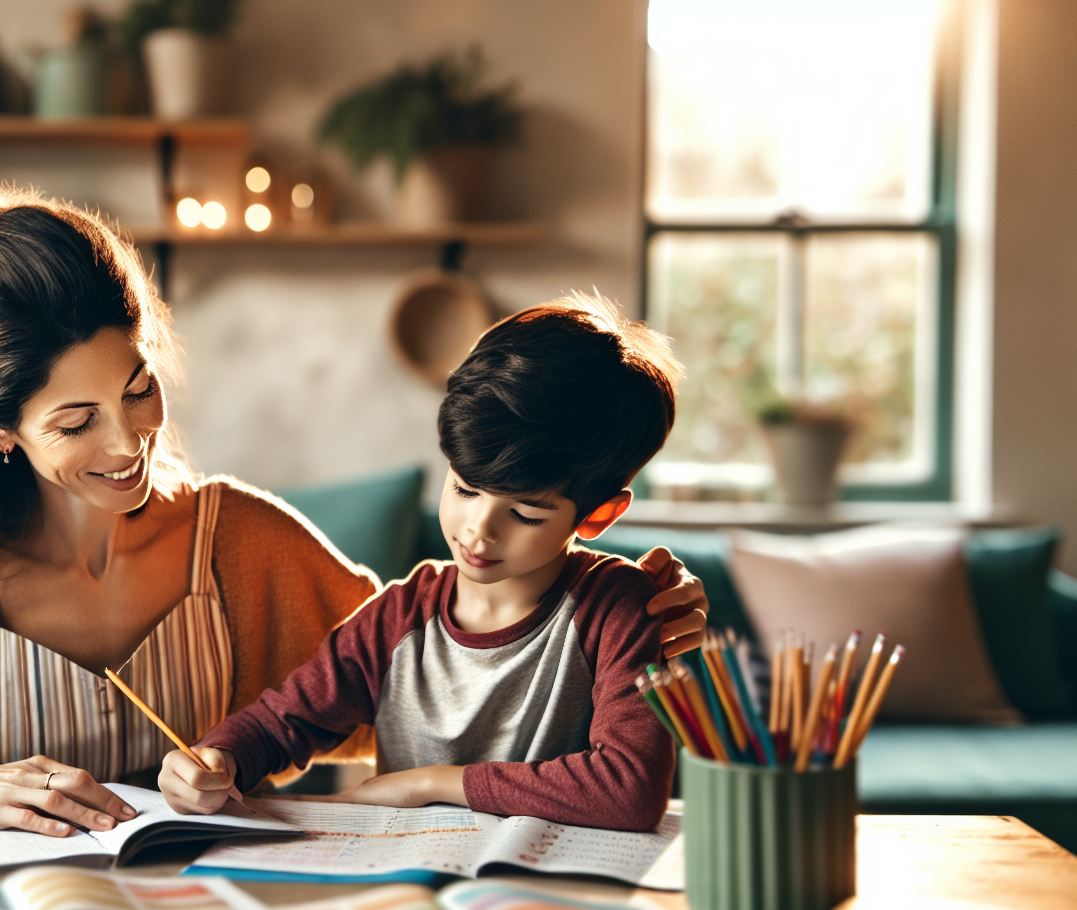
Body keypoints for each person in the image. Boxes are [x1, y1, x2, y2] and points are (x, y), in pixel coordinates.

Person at [0, 182, 711, 836]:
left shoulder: (243, 542)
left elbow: (419, 669)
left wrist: (633, 605)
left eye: (138, 388)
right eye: (76, 419)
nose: (129, 443)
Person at [160, 295, 684, 832]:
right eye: (463, 488)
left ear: (598, 515)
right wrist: (218, 759)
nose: (479, 528)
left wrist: (429, 783)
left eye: (525, 514)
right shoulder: (398, 617)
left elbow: (630, 788)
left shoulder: (616, 608)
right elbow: (282, 723)